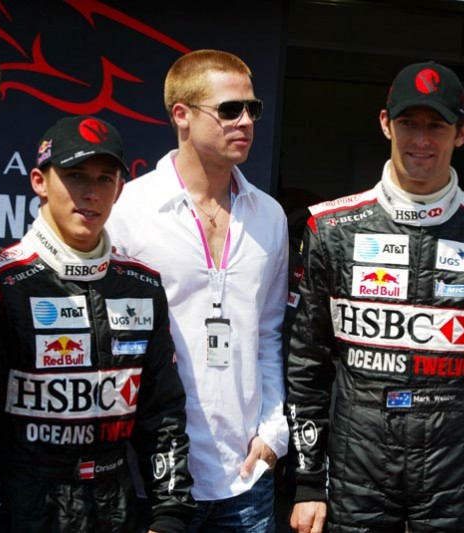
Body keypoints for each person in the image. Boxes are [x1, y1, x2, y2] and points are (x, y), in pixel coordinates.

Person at [286, 61, 464, 533]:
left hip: (457, 467)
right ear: (386, 123)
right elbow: (308, 364)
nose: (421, 140)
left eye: (436, 125)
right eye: (408, 123)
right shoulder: (331, 229)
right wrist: (306, 480)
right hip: (354, 463)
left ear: (461, 133)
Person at [0, 115, 194, 533]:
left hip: (117, 505)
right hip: (24, 503)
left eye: (105, 179)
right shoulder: (0, 283)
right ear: (39, 181)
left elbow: (161, 412)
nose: (90, 193)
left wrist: (171, 513)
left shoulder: (141, 286)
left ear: (120, 189)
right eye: (74, 176)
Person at [107, 50, 289, 532]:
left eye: (254, 109)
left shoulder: (269, 215)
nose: (246, 121)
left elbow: (268, 334)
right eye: (230, 110)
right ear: (181, 115)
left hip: (247, 477)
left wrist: (274, 433)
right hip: (155, 478)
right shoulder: (128, 208)